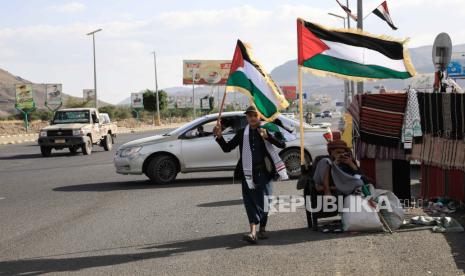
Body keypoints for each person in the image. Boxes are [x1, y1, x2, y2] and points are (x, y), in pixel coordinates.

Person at [213, 106, 288, 244]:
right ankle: (253, 232)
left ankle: (263, 228)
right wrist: (219, 137)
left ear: (259, 116)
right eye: (249, 116)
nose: (252, 118)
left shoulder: (268, 129)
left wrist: (267, 137)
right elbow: (227, 148)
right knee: (250, 202)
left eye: (254, 115)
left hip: (264, 172)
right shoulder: (242, 133)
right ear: (246, 118)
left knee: (265, 201)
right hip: (247, 173)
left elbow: (282, 144)